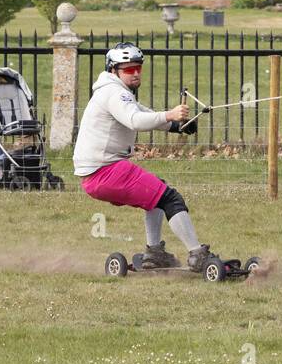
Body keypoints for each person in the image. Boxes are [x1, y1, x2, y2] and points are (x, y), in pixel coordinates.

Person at [73, 43, 210, 271]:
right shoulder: (114, 93)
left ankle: (154, 254)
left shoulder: (115, 91)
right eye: (128, 69)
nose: (135, 73)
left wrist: (178, 126)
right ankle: (197, 255)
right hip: (106, 171)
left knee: (156, 194)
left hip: (99, 175)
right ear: (113, 70)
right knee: (170, 199)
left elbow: (143, 113)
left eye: (138, 68)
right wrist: (170, 114)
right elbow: (135, 120)